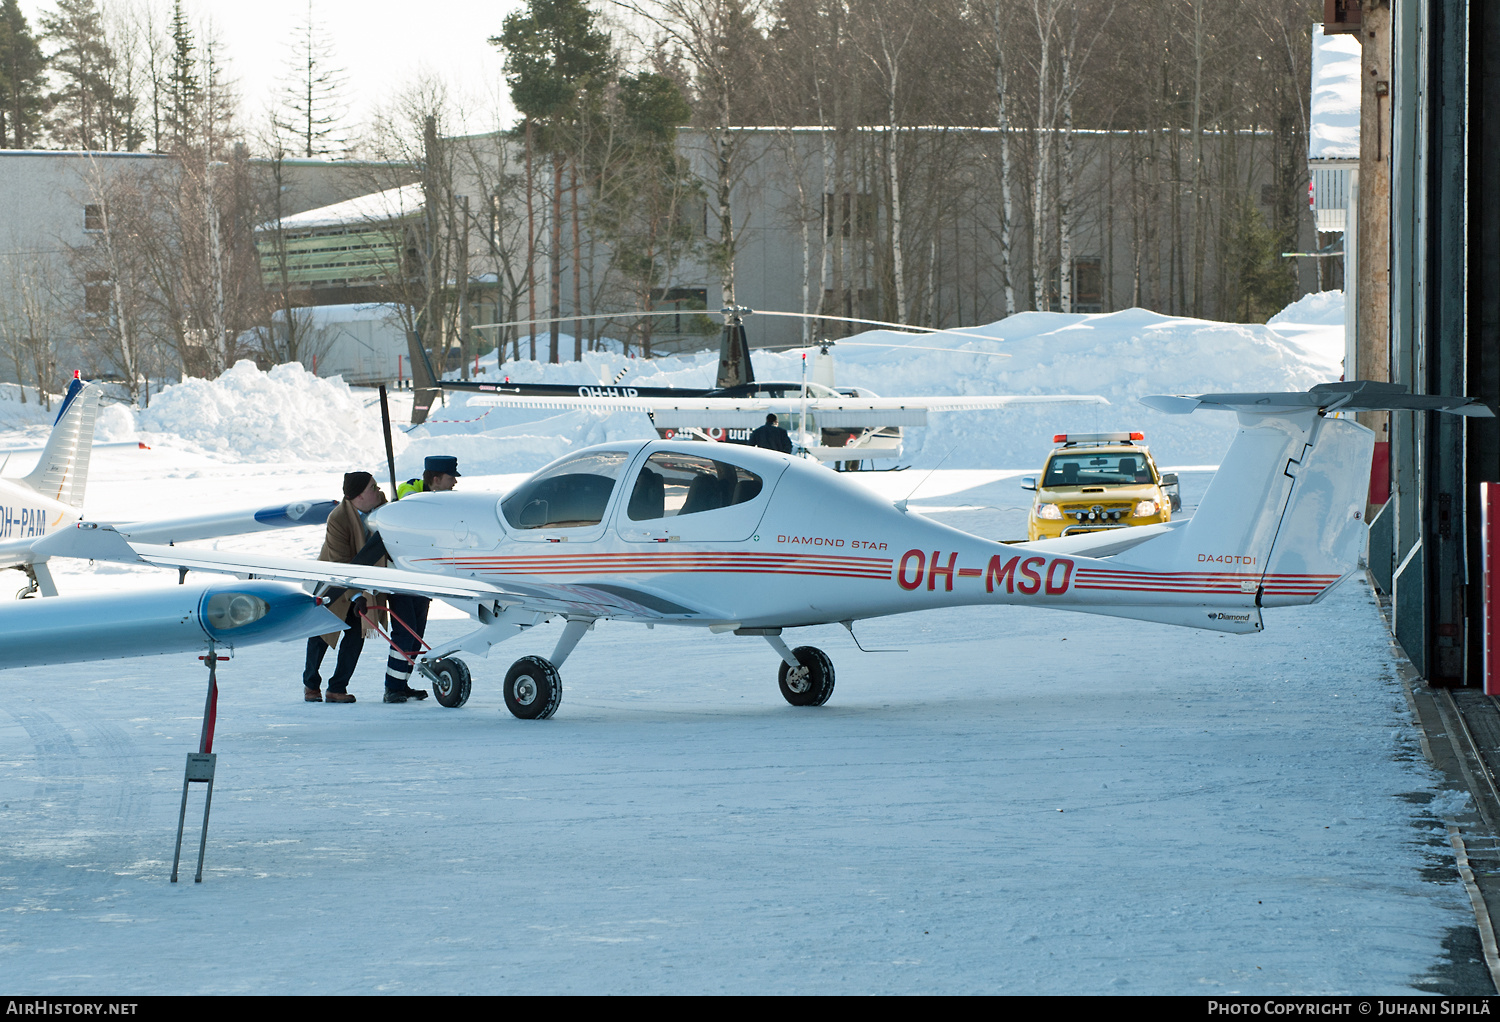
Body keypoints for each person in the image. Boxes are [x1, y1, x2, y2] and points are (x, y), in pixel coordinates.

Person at [303, 471, 388, 704]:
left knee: (355, 636)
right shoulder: (338, 518)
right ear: (358, 497)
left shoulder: (382, 510)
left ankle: (337, 687)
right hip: (334, 583)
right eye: (373, 487)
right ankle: (311, 684)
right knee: (322, 634)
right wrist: (357, 594)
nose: (378, 491)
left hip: (364, 583)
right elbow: (340, 563)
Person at [384, 455, 460, 702]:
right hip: (402, 579)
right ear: (436, 479)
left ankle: (401, 684)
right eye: (451, 478)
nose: (455, 484)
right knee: (405, 633)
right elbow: (407, 500)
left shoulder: (445, 501)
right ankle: (392, 688)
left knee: (416, 634)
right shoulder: (412, 491)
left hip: (424, 579)